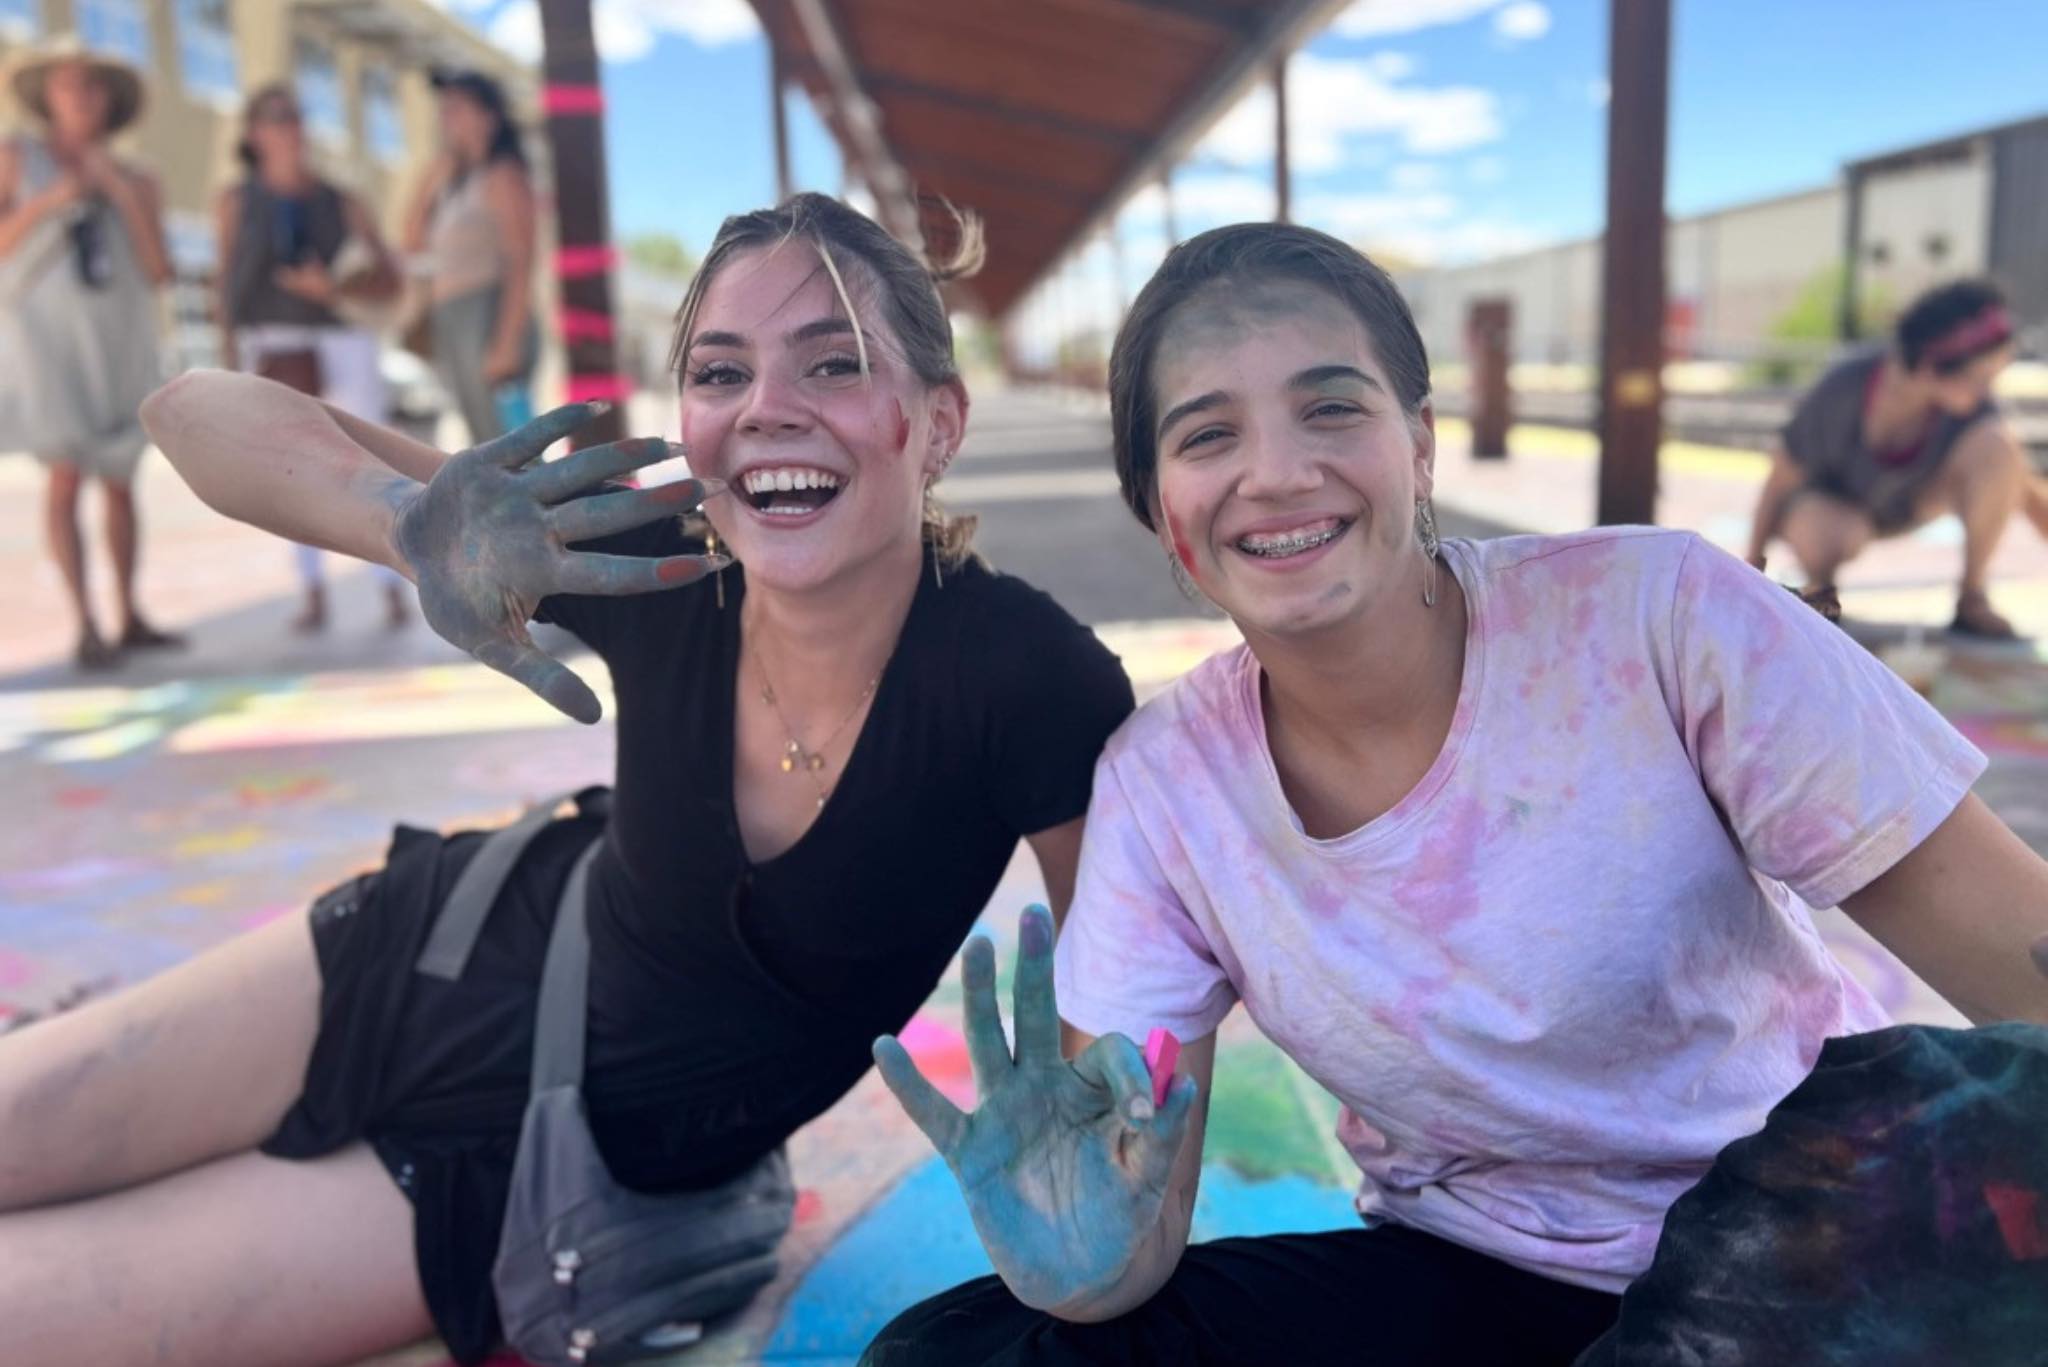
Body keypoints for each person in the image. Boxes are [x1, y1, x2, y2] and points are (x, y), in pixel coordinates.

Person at [866, 223, 2048, 1366]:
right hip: (1474, 1276)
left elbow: (2021, 961)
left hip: (1806, 1242)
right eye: (1205, 434)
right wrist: (1078, 1259)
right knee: (961, 1349)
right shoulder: (1162, 790)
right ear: (1161, 511)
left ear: (1418, 444)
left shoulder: (1661, 617)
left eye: (1331, 405)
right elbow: (1129, 1238)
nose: (1275, 471)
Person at [0, 194, 1134, 1367]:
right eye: (719, 371)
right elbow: (192, 412)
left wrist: (1094, 1222)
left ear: (934, 423)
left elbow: (1128, 1038)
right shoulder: (646, 558)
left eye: (831, 364)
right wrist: (407, 521)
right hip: (423, 953)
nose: (765, 411)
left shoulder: (1028, 681)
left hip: (544, 1193)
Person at [0, 33, 179, 669]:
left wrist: (118, 192)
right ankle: (84, 621)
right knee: (65, 474)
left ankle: (129, 613)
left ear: (110, 100)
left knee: (121, 480)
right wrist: (54, 199)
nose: (80, 96)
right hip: (47, 342)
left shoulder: (139, 176)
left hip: (119, 340)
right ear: (47, 96)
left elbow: (161, 271)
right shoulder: (17, 158)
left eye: (92, 84)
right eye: (67, 83)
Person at [1746, 278, 2048, 640]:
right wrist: (1749, 575)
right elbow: (1780, 480)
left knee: (2000, 446)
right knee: (1828, 530)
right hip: (1834, 509)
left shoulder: (1970, 408)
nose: (1988, 390)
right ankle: (1820, 592)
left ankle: (1972, 597)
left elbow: (2020, 484)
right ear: (1928, 367)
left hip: (1911, 503)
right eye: (1981, 378)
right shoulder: (1845, 387)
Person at [219, 81, 410, 632]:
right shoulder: (237, 200)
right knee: (291, 472)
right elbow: (227, 284)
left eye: (296, 115)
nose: (290, 127)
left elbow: (389, 279)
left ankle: (393, 584)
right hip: (274, 343)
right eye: (275, 117)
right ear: (254, 133)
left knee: (369, 465)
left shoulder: (342, 200)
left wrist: (332, 290)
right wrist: (230, 355)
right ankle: (312, 589)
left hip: (342, 338)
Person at [400, 68, 538, 445]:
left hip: (488, 312)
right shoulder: (453, 181)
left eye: (457, 108)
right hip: (453, 315)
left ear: (489, 117)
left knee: (510, 442)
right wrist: (432, 176)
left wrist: (507, 340)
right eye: (443, 109)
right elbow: (411, 242)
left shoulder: (503, 175)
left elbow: (521, 259)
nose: (445, 117)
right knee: (484, 441)